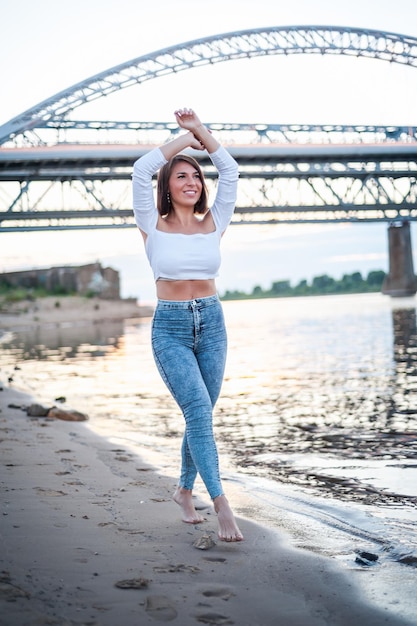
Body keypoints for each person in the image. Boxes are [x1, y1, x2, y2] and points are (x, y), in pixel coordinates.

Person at [132, 108, 243, 542]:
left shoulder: (214, 222)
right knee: (198, 412)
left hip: (212, 323)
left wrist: (203, 134)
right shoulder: (151, 225)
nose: (192, 182)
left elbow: (230, 171)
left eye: (196, 177)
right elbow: (142, 169)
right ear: (167, 187)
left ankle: (183, 490)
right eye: (181, 177)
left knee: (201, 416)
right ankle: (222, 506)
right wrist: (183, 140)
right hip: (171, 330)